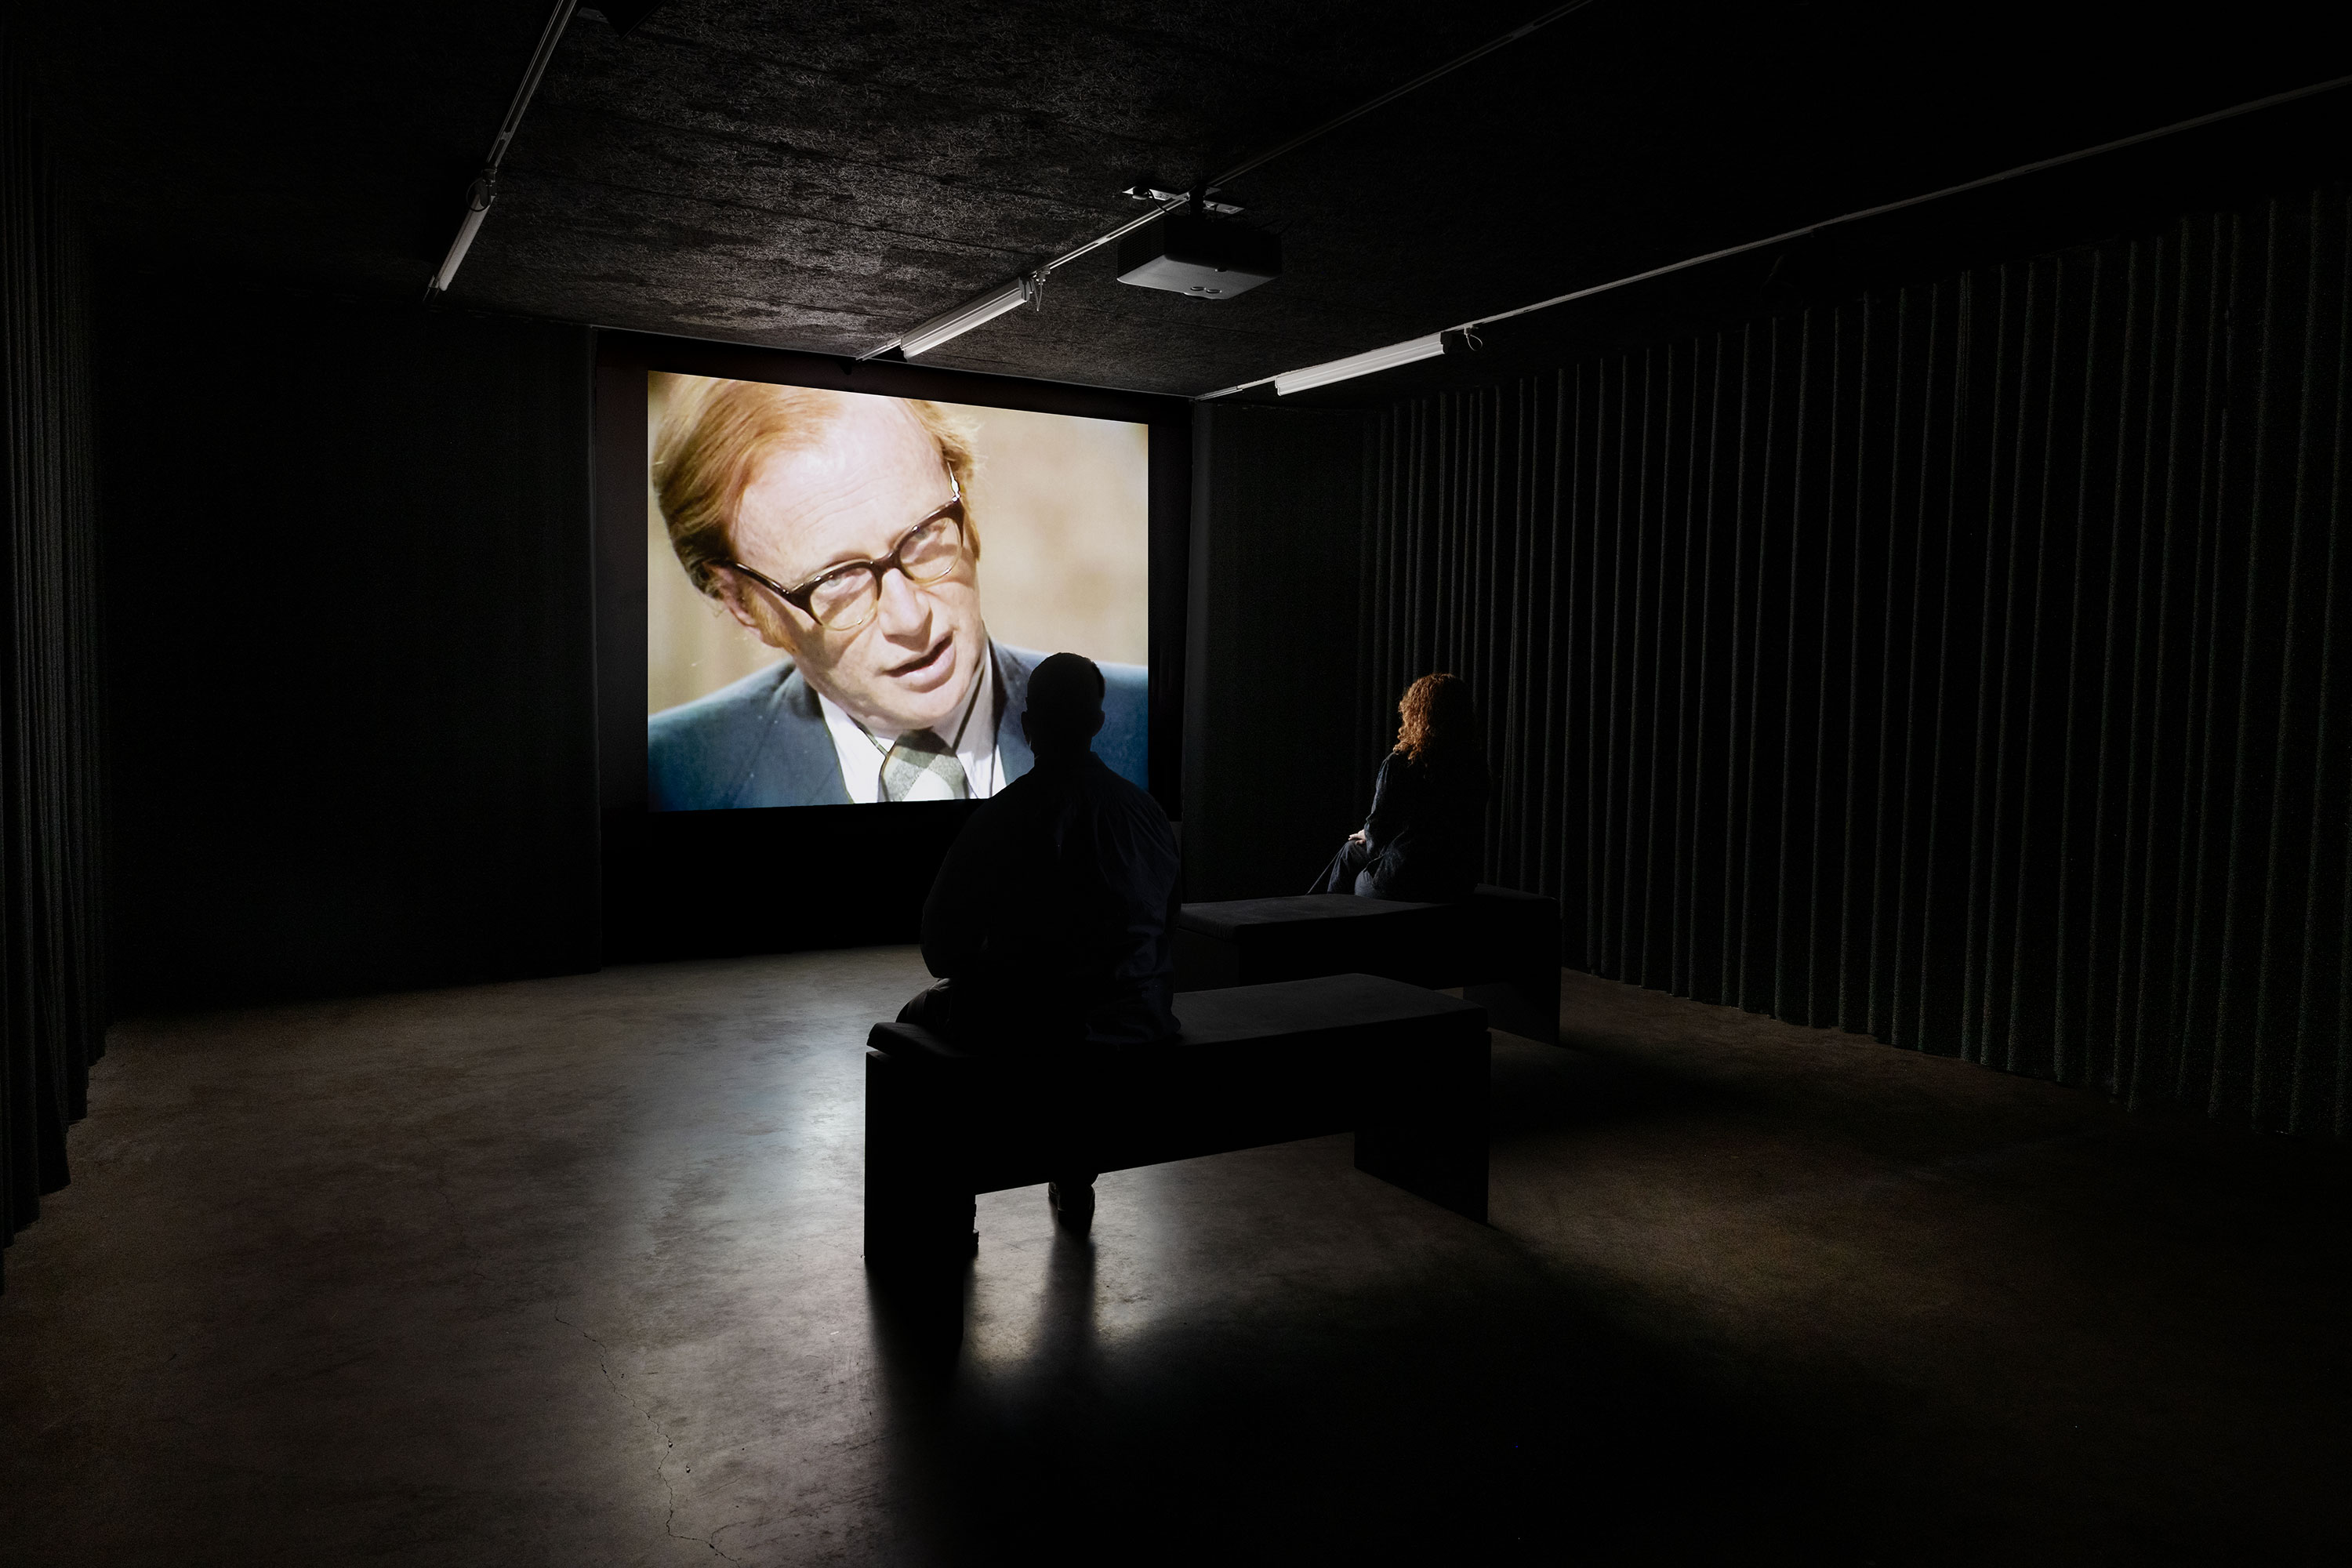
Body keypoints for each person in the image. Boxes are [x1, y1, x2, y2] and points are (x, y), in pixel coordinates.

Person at [645, 380, 1149, 809]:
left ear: (965, 505)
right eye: (837, 578)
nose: (910, 619)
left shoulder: (1157, 727)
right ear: (744, 606)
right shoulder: (667, 780)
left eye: (923, 534)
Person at [900, 652, 1181, 1230]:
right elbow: (1165, 928)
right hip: (1141, 1023)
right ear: (1099, 723)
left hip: (1032, 1033)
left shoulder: (1001, 819)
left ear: (1029, 728)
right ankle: (1073, 1180)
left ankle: (946, 1210)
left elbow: (940, 950)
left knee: (912, 1024)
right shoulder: (1147, 815)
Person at [1312, 673, 1488, 902]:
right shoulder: (1475, 765)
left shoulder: (1401, 762)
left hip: (1406, 882)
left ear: (1417, 714)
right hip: (1457, 883)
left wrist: (1368, 835)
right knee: (1350, 851)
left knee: (1351, 856)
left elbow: (1378, 830)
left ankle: (1318, 913)